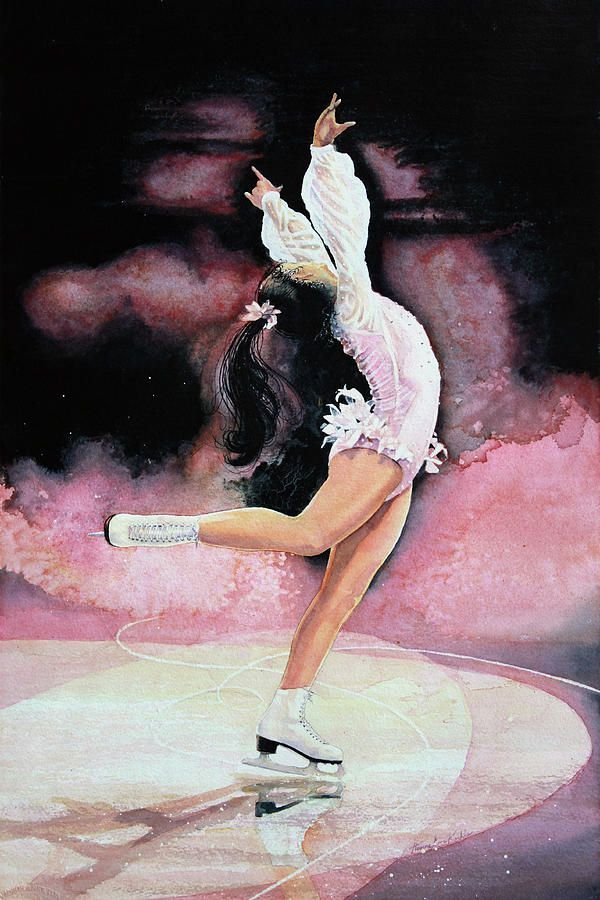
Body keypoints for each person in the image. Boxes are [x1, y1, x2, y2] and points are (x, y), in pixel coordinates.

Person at [99, 95, 446, 775]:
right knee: (308, 536)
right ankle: (161, 530)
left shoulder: (336, 297)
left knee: (338, 596)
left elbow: (307, 253)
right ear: (323, 290)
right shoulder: (352, 303)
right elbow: (339, 233)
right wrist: (323, 156)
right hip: (382, 447)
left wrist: (275, 207)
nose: (317, 260)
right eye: (311, 267)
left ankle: (284, 722)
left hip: (401, 457)